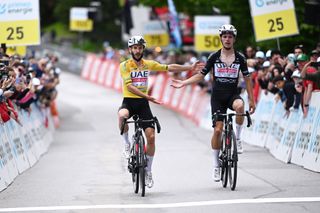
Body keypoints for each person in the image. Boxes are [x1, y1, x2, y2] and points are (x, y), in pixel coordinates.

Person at [171, 24, 255, 182]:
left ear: (234, 39)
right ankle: (216, 165)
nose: (227, 39)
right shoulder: (213, 57)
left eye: (230, 36)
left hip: (232, 95)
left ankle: (237, 138)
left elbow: (247, 79)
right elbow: (200, 76)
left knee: (240, 106)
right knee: (217, 131)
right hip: (217, 97)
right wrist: (185, 82)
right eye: (225, 36)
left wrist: (251, 99)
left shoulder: (240, 58)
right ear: (221, 39)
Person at [118, 35, 204, 188]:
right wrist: (148, 96)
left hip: (143, 104)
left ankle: (148, 171)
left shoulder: (147, 64)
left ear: (143, 49)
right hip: (130, 101)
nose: (137, 50)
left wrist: (189, 68)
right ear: (130, 49)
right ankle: (126, 143)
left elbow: (169, 67)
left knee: (151, 137)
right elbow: (130, 87)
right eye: (134, 48)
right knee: (122, 116)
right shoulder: (125, 65)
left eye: (139, 47)